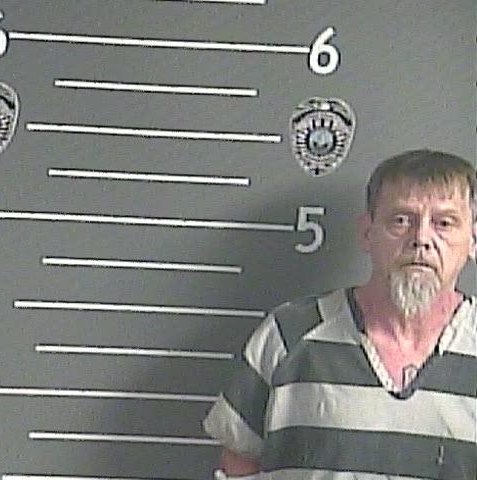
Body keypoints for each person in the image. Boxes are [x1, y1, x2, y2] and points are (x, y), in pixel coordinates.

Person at [203, 150, 477, 479]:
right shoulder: (288, 334)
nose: (421, 239)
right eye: (401, 220)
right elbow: (238, 464)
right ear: (367, 233)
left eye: (444, 223)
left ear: (473, 240)